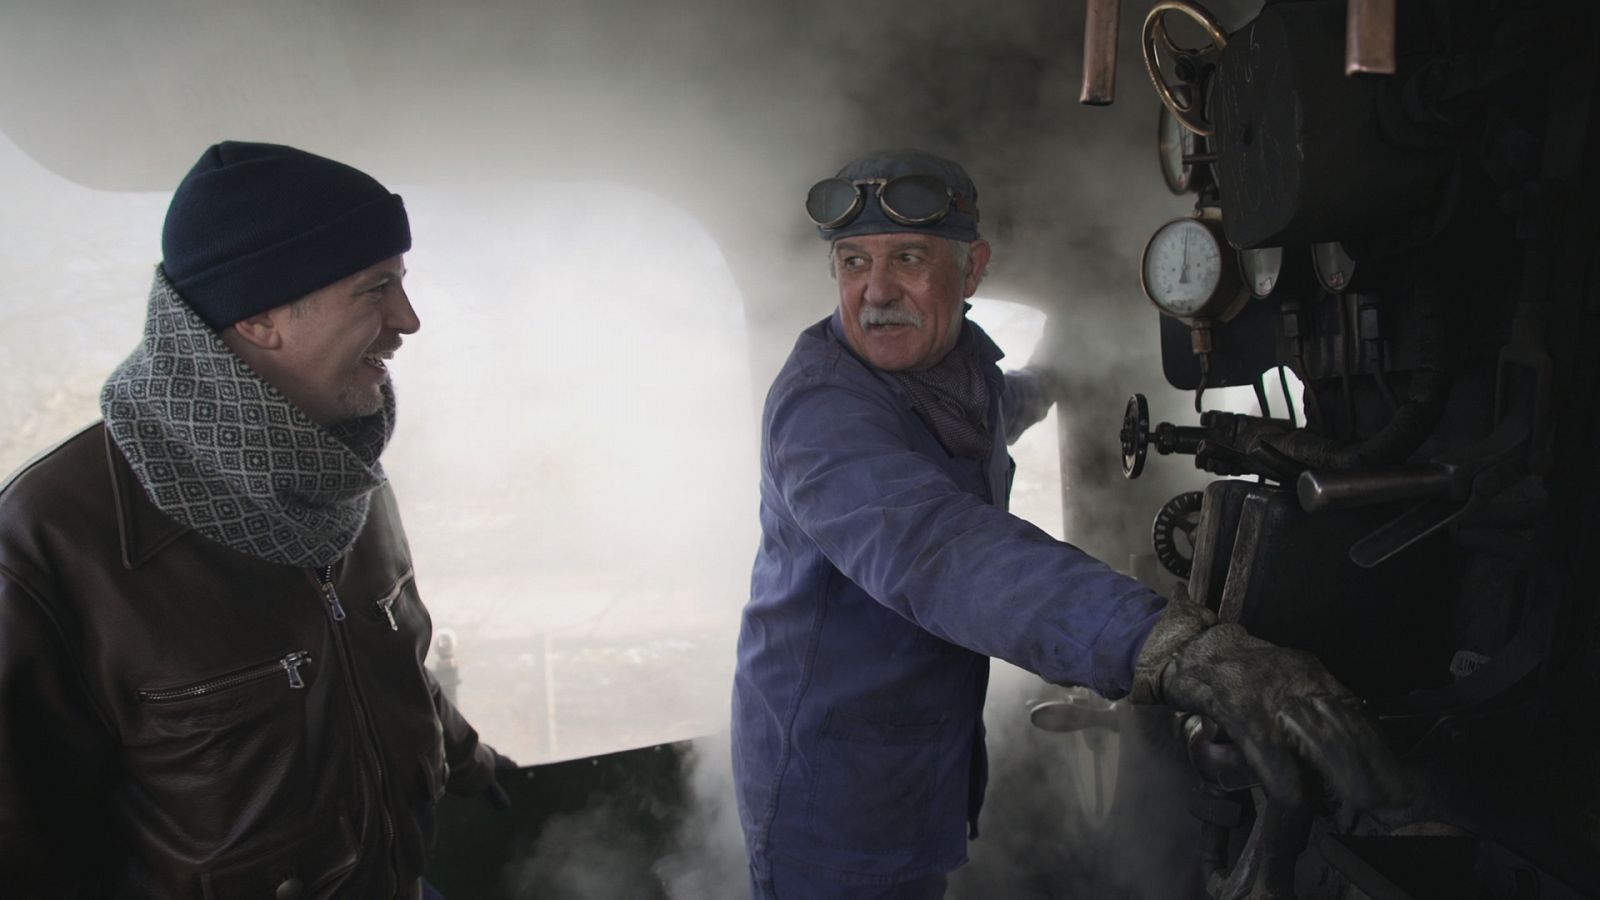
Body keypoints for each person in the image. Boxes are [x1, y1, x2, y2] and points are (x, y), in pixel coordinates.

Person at [731, 149, 1406, 898]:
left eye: (909, 257)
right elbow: (934, 546)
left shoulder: (955, 372)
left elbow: (991, 411)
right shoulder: (822, 409)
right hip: (828, 792)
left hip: (913, 763)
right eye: (852, 261)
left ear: (972, 269)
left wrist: (1054, 379)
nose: (876, 291)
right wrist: (1174, 645)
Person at [0, 141, 509, 898]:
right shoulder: (54, 538)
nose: (409, 319)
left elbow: (390, 653)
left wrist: (471, 763)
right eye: (376, 288)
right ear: (263, 318)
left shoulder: (348, 472)